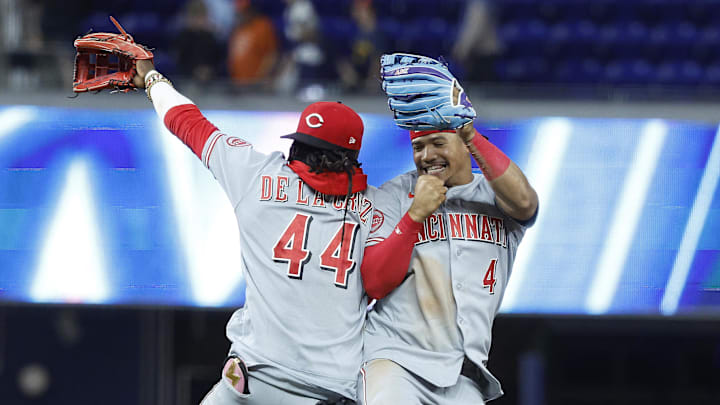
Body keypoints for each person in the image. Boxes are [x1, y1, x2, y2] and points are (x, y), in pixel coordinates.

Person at [130, 58, 399, 404]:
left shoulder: (257, 175)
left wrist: (153, 79)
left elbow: (187, 123)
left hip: (252, 378)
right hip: (331, 387)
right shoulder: (378, 207)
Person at [357, 120, 539, 404]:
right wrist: (414, 216)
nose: (427, 155)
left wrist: (469, 132)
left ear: (468, 145)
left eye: (438, 143)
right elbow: (374, 282)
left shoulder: (497, 196)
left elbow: (526, 203)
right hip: (395, 360)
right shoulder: (394, 194)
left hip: (463, 375)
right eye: (418, 147)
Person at [227, 0, 278, 87]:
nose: (241, 14)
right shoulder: (238, 28)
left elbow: (271, 55)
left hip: (256, 85)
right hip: (237, 83)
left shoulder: (262, 26)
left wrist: (260, 78)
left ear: (252, 10)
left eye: (244, 11)